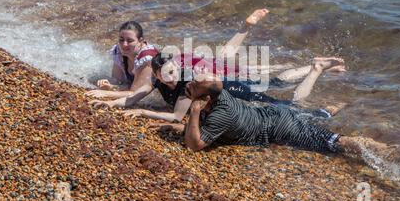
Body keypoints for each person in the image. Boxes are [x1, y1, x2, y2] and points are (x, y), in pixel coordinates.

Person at [181, 77, 400, 159]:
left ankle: (390, 152)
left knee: (334, 142)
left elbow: (195, 145)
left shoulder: (220, 113)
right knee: (319, 115)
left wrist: (194, 112)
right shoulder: (220, 96)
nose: (188, 85)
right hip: (274, 114)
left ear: (207, 100)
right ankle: (347, 101)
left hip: (279, 127)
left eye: (193, 86)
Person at [89, 54, 346, 122]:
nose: (169, 78)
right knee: (277, 85)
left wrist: (143, 113)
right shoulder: (158, 79)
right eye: (163, 74)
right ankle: (316, 67)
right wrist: (110, 102)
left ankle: (316, 69)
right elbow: (135, 97)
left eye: (172, 72)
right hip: (227, 86)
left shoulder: (187, 85)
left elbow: (177, 116)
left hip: (236, 92)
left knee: (292, 107)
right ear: (155, 73)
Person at [85, 9, 272, 99]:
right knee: (222, 59)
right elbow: (120, 81)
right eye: (121, 39)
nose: (124, 44)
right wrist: (110, 85)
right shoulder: (119, 52)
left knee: (235, 69)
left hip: (193, 68)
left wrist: (105, 93)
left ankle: (247, 27)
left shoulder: (147, 58)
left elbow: (134, 92)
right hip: (180, 62)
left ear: (142, 41)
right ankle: (246, 27)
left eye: (130, 41)